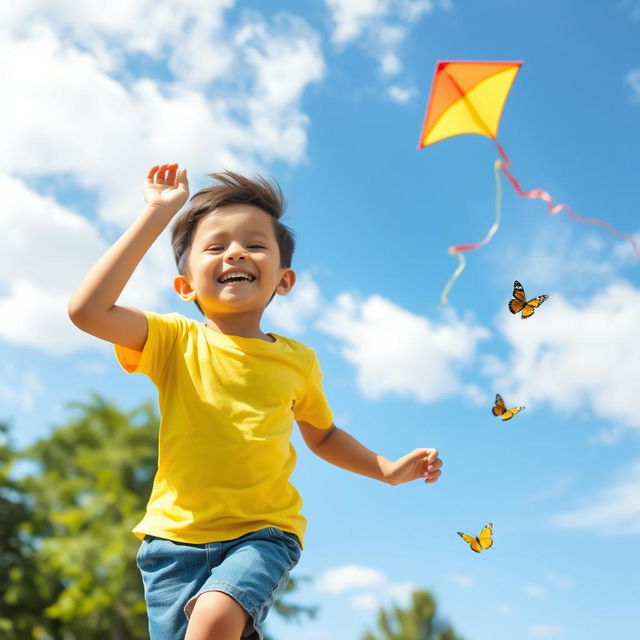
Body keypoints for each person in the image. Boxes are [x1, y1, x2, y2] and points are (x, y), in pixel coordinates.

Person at [68, 163, 443, 640]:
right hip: (172, 545)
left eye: (255, 244)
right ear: (185, 287)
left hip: (263, 533)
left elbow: (323, 435)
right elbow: (87, 311)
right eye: (216, 246)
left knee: (214, 619)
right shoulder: (173, 339)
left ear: (283, 280)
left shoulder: (297, 361)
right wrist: (159, 214)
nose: (237, 253)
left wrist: (386, 470)